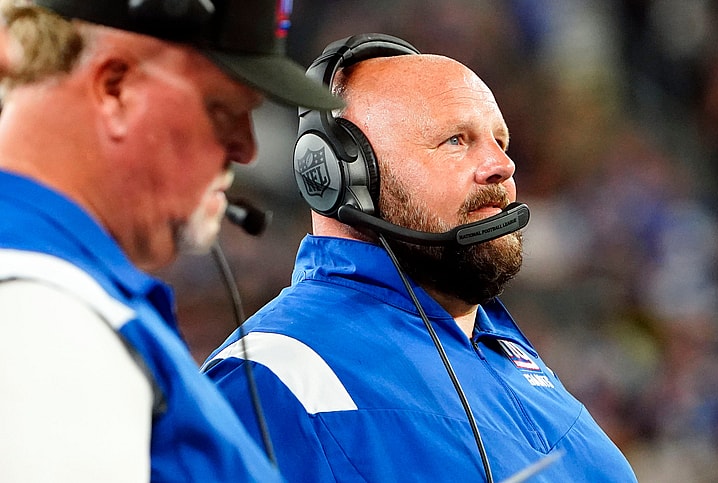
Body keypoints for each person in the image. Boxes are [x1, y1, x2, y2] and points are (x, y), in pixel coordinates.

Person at [204, 33, 638, 482]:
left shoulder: (517, 362)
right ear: (342, 173)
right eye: (456, 140)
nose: (502, 166)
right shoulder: (270, 377)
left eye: (500, 142)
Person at [0, 0, 342, 481]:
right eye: (221, 108)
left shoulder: (65, 291)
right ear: (115, 89)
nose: (246, 148)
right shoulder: (40, 305)